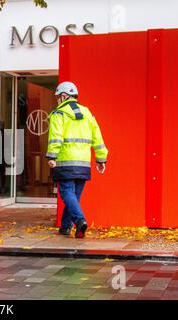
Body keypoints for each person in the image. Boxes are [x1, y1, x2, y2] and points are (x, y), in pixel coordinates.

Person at [46, 81, 108, 238]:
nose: (57, 100)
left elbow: (56, 137)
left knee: (66, 192)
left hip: (65, 161)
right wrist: (101, 159)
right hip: (83, 163)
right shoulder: (88, 113)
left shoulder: (58, 114)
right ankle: (66, 227)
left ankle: (80, 221)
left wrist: (52, 156)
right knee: (73, 196)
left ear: (65, 96)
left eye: (58, 97)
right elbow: (97, 137)